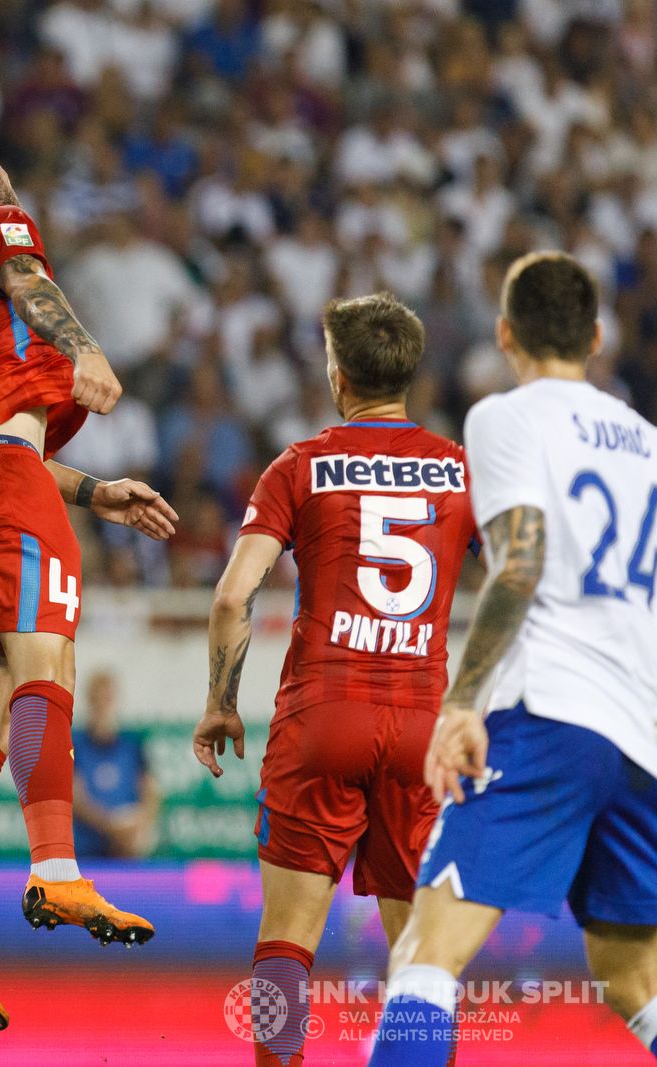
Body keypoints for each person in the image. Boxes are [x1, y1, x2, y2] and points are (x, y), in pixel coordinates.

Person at [0, 112, 178, 1031]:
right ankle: (56, 871)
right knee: (45, 668)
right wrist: (85, 346)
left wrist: (95, 491)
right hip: (5, 487)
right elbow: (27, 275)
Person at [367, 254, 657, 1065]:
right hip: (639, 734)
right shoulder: (649, 444)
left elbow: (519, 563)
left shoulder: (507, 416)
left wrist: (462, 703)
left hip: (549, 713)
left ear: (505, 335)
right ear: (597, 337)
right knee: (635, 976)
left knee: (428, 950)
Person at [192, 292, 477, 1067]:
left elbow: (231, 594)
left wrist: (221, 704)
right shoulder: (461, 470)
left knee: (287, 939)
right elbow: (522, 581)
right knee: (420, 954)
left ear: (337, 373)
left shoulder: (302, 464)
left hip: (323, 712)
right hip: (423, 720)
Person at [72, 671, 158, 859]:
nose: (103, 704)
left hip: (128, 851)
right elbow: (74, 798)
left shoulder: (132, 744)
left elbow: (150, 791)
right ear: (90, 701)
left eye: (108, 698)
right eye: (98, 698)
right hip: (86, 851)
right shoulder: (75, 743)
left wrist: (139, 823)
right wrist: (111, 826)